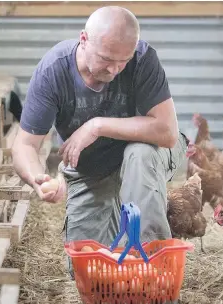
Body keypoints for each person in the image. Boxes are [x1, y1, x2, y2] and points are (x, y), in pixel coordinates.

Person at [11, 6, 188, 278]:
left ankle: (154, 269)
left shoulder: (143, 59)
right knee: (87, 272)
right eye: (106, 59)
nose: (115, 69)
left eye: (123, 61)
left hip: (150, 153)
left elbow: (167, 132)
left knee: (138, 155)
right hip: (92, 169)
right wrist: (39, 179)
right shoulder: (53, 71)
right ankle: (120, 222)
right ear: (84, 39)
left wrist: (97, 126)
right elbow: (24, 145)